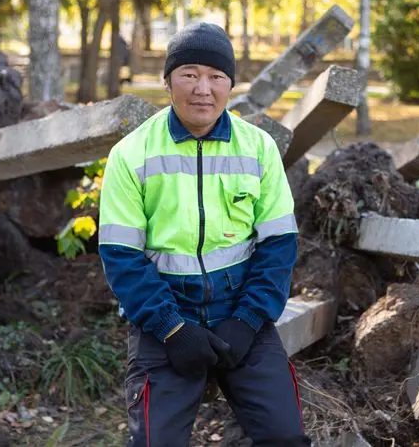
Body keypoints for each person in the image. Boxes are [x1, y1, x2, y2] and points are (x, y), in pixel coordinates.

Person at [98, 22, 309, 447]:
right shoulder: (131, 154)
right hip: (166, 316)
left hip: (241, 312)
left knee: (286, 438)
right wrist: (173, 329)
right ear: (168, 81)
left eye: (216, 77)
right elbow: (121, 256)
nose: (202, 89)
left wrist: (249, 321)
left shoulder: (258, 148)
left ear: (230, 84)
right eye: (189, 74)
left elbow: (279, 246)